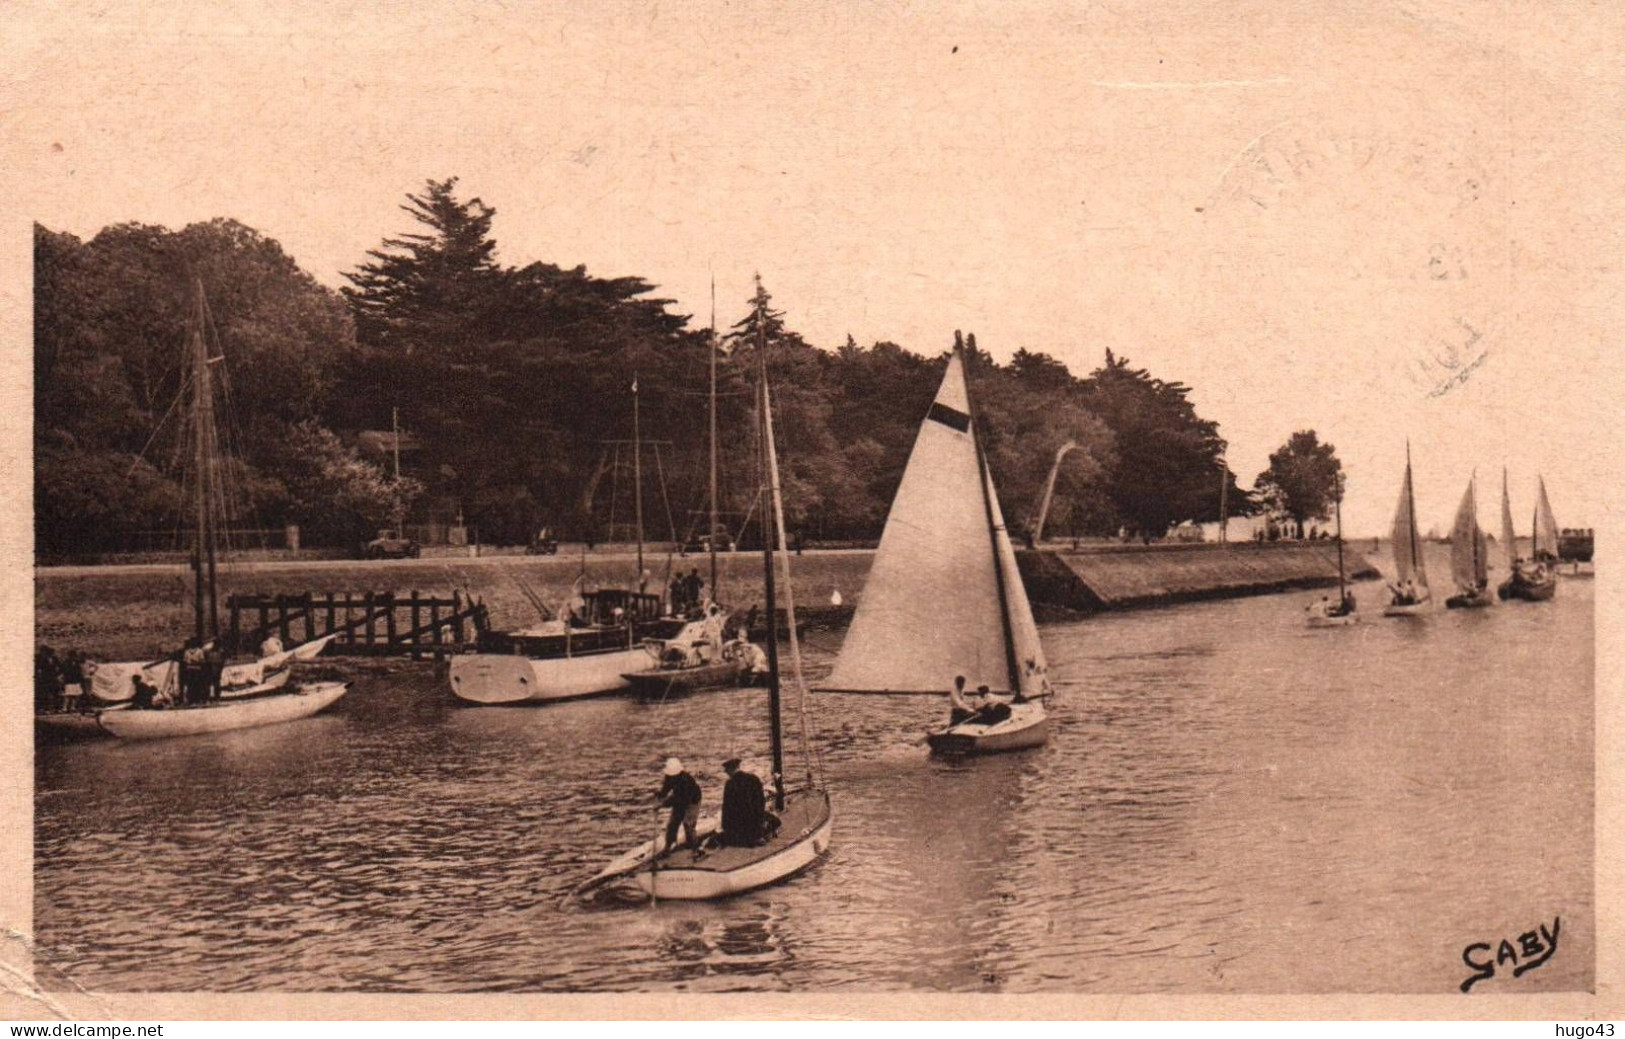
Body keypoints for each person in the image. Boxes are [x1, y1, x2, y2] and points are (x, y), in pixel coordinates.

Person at [718, 758, 767, 847]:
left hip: (739, 827)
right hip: (756, 824)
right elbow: (761, 801)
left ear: (730, 770)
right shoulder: (753, 778)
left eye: (727, 771)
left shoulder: (730, 784)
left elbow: (727, 808)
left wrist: (724, 826)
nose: (726, 773)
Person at [657, 758, 702, 853]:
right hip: (679, 799)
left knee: (688, 824)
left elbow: (681, 799)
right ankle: (669, 846)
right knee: (672, 824)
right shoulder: (669, 777)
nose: (672, 777)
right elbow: (666, 789)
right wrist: (660, 795)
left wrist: (663, 804)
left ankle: (696, 848)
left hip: (692, 800)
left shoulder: (687, 781)